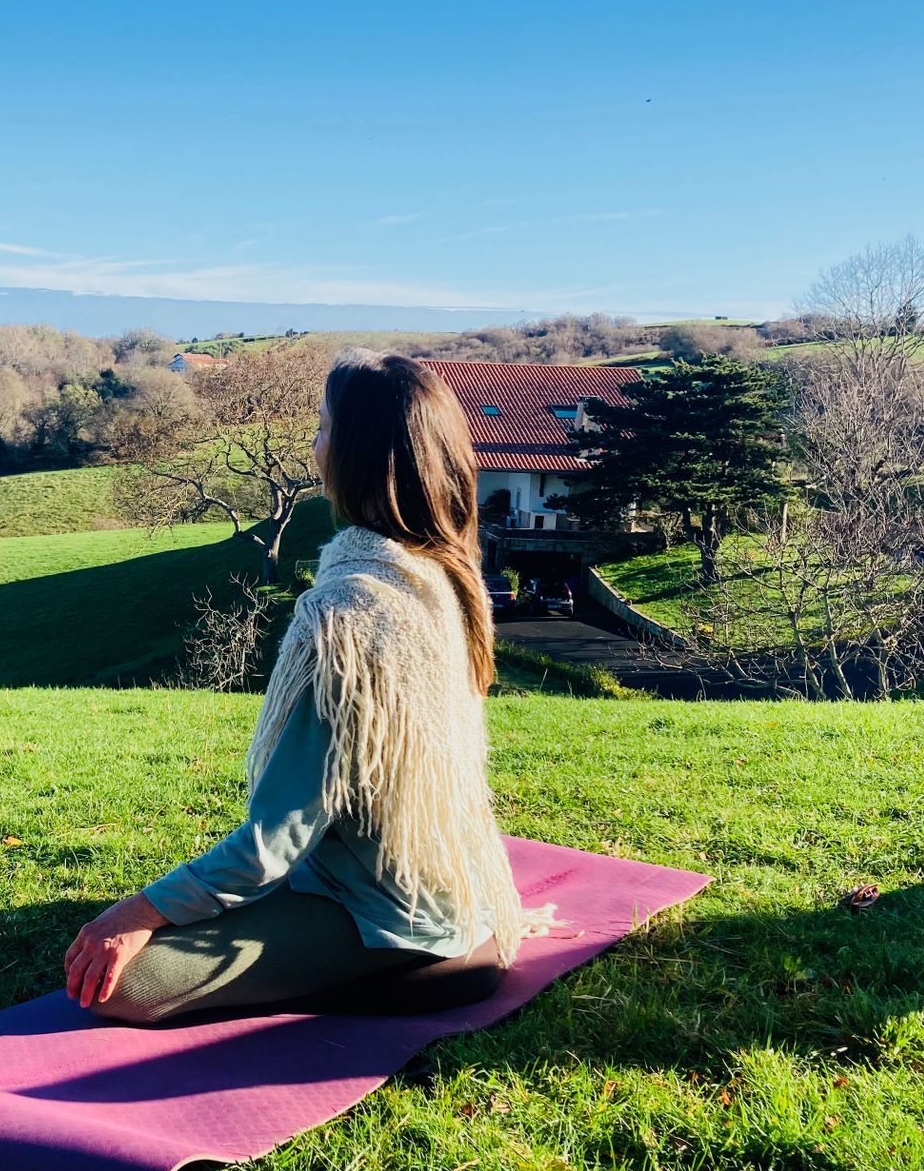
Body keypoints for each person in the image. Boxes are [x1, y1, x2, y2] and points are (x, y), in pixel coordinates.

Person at [62, 351, 561, 1024]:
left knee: (125, 985)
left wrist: (140, 910)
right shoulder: (439, 575)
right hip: (437, 886)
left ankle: (374, 974)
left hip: (384, 915)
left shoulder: (346, 612)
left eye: (323, 427)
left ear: (351, 455)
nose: (314, 442)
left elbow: (278, 837)